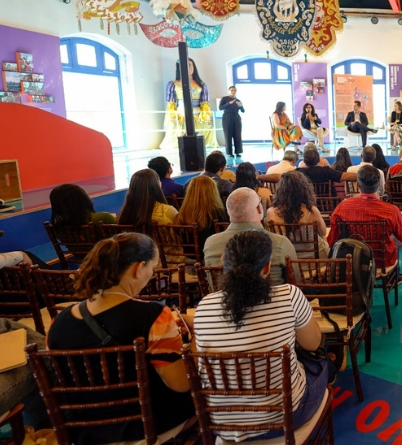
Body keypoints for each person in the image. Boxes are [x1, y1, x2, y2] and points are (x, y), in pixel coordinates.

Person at [47, 233, 195, 443]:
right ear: (138, 268)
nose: (151, 275)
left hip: (86, 433)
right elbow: (181, 384)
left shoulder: (58, 323)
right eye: (151, 269)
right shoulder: (153, 315)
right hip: (150, 426)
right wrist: (194, 337)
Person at [193, 230, 327, 442]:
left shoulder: (204, 307)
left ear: (222, 262)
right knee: (323, 365)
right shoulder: (290, 296)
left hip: (221, 423)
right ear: (266, 269)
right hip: (284, 418)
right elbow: (312, 344)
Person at [328, 166, 402, 284]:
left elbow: (333, 239)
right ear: (379, 185)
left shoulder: (342, 207)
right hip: (382, 261)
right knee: (393, 237)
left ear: (357, 185)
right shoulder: (391, 211)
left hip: (352, 260)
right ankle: (394, 276)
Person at [203, 188, 298, 284]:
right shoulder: (280, 242)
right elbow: (296, 282)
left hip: (221, 298)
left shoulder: (210, 243)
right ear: (259, 208)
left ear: (228, 212)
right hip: (274, 298)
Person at [266, 172, 330, 258]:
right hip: (315, 259)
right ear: (304, 189)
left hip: (287, 261)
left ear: (280, 190)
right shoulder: (312, 210)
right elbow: (323, 232)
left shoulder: (271, 212)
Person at [160, 57, 217, 149]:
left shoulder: (201, 84)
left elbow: (205, 103)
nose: (189, 68)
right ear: (180, 68)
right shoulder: (173, 84)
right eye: (186, 66)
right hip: (181, 114)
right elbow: (171, 103)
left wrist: (206, 115)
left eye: (191, 65)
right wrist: (172, 115)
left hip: (198, 114)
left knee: (207, 124)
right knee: (175, 127)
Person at [175, 175, 228, 246]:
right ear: (213, 191)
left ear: (189, 191)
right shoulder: (220, 214)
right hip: (212, 253)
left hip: (188, 254)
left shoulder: (181, 214)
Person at [49, 183, 117, 226]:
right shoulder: (103, 218)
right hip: (102, 249)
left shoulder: (58, 223)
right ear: (84, 198)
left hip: (73, 249)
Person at [219, 85, 244, 158]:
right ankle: (229, 152)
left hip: (236, 116)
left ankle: (238, 151)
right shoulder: (225, 98)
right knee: (228, 134)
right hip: (227, 116)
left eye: (234, 90)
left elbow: (243, 111)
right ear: (229, 91)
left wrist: (241, 106)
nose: (233, 91)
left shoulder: (238, 100)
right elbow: (220, 107)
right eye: (232, 90)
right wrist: (229, 103)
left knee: (237, 135)